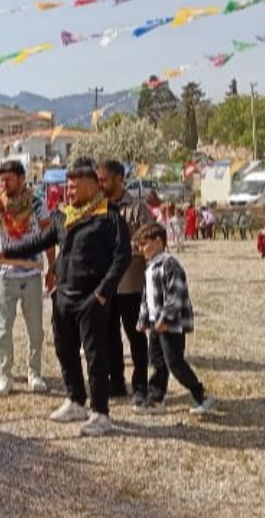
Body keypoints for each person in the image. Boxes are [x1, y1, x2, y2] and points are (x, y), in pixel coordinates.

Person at [0, 157, 131, 436]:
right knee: (64, 351)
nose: (69, 193)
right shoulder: (63, 216)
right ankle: (75, 399)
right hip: (64, 297)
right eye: (68, 187)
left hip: (93, 299)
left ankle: (100, 412)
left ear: (92, 187)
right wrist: (5, 253)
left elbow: (122, 257)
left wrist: (104, 293)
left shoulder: (109, 217)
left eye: (75, 188)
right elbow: (37, 242)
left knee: (95, 356)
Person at [0, 160, 53, 397]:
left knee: (35, 330)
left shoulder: (37, 205)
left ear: (21, 179)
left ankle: (34, 373)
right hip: (4, 276)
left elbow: (48, 238)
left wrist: (52, 269)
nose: (4, 183)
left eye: (9, 179)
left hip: (32, 275)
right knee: (2, 330)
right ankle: (6, 376)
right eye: (1, 179)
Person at [134, 222, 216, 414]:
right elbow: (147, 298)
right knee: (156, 361)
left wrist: (166, 319)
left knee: (174, 362)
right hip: (156, 324)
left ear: (158, 241)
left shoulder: (169, 264)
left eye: (144, 244)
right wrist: (143, 320)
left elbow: (176, 295)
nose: (140, 249)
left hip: (171, 325)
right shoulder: (149, 268)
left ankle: (201, 394)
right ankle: (156, 398)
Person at [95, 160, 153, 405]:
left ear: (119, 178)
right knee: (109, 337)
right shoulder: (98, 208)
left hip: (131, 284)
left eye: (104, 179)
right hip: (107, 285)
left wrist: (122, 250)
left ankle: (141, 385)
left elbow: (152, 242)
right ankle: (116, 381)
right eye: (98, 179)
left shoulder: (137, 208)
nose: (100, 184)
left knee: (136, 336)